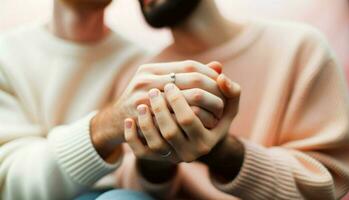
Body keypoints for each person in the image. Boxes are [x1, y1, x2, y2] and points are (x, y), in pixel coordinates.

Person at [113, 0, 349, 199]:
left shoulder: (300, 48)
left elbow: (328, 182)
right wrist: (155, 163)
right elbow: (128, 187)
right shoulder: (141, 76)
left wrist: (224, 153)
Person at [0, 0, 236, 199]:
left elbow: (149, 185)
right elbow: (8, 181)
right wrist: (109, 123)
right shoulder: (6, 54)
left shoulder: (144, 65)